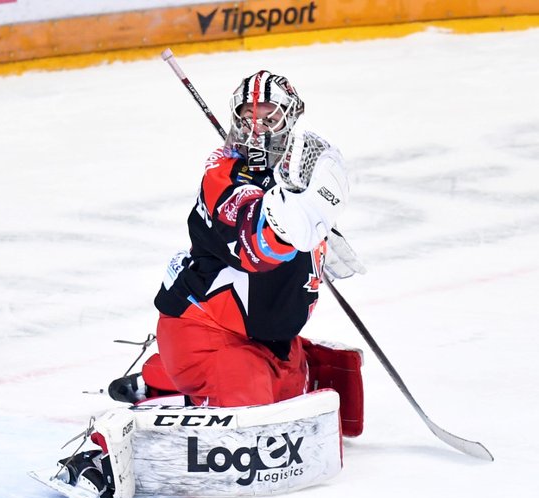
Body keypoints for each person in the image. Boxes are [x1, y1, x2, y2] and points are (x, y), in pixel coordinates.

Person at [113, 70, 365, 416]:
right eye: (248, 117)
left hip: (263, 338)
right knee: (252, 409)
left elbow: (299, 217)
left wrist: (319, 239)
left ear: (290, 117)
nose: (257, 129)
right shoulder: (224, 174)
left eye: (268, 117)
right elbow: (256, 249)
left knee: (291, 391)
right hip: (205, 332)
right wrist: (297, 221)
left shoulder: (295, 169)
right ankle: (180, 376)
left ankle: (161, 377)